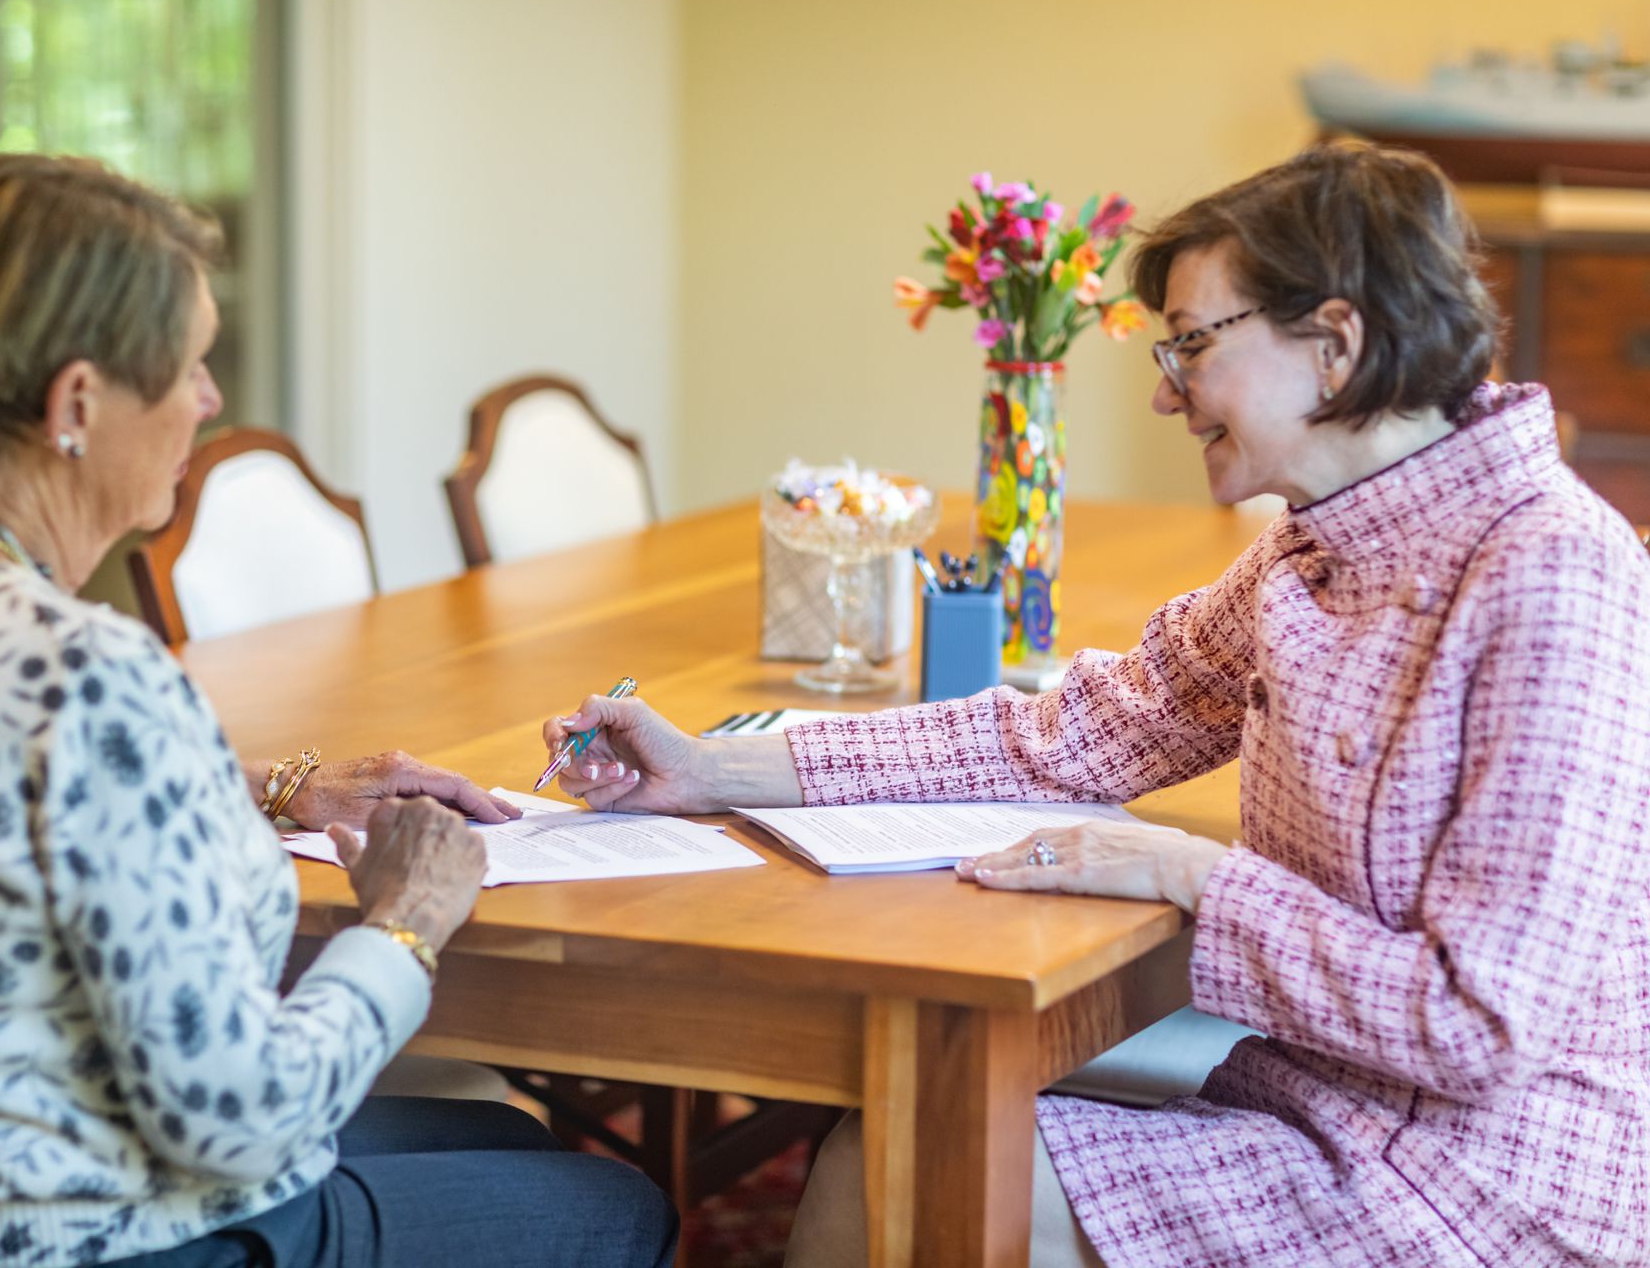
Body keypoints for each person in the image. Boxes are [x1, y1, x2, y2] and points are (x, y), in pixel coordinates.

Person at [540, 142, 1650, 1267]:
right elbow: (1071, 729)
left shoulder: (1550, 572)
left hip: (1488, 1177)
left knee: (896, 1163)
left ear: (1335, 344)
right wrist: (713, 771)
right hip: (1321, 1097)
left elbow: (1475, 1027)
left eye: (1192, 345)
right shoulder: (1307, 553)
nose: (1166, 390)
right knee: (891, 1146)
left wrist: (1193, 874)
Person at [0, 153, 676, 1268]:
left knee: (508, 1134)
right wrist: (409, 919)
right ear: (78, 402)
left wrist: (283, 786)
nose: (211, 397)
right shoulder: (92, 673)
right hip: (120, 1231)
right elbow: (244, 1117)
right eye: (188, 364)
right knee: (625, 1209)